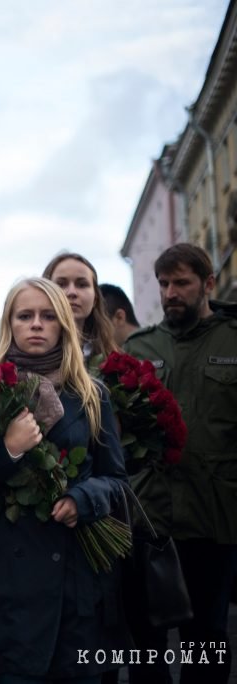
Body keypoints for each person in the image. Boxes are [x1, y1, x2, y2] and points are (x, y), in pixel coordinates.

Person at [0, 277, 128, 683]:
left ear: (63, 324)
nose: (36, 324)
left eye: (47, 316)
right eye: (25, 315)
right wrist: (10, 448)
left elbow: (116, 479)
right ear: (9, 323)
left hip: (76, 578)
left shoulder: (90, 394)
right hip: (10, 583)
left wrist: (83, 500)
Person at [123, 243, 236, 684]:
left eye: (182, 283)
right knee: (146, 640)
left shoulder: (232, 339)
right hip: (151, 518)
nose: (171, 292)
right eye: (164, 283)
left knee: (205, 640)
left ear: (208, 284)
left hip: (215, 517)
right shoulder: (139, 347)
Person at [42, 253, 118, 363]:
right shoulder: (22, 360)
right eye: (61, 284)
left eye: (82, 285)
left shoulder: (114, 362)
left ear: (95, 298)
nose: (72, 293)